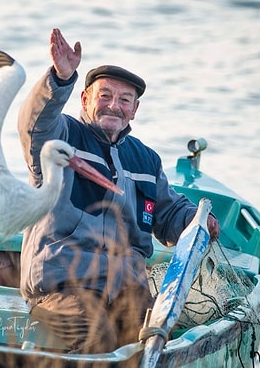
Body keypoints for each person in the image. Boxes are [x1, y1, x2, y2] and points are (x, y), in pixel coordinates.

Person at [17, 28, 220, 354]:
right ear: (85, 100)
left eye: (125, 100)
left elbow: (168, 214)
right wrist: (59, 78)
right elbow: (34, 124)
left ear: (134, 110)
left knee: (155, 343)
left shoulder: (146, 159)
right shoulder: (62, 136)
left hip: (127, 289)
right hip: (65, 288)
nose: (115, 106)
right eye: (105, 96)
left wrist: (196, 221)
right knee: (98, 339)